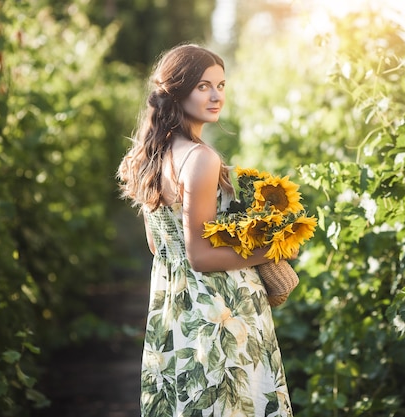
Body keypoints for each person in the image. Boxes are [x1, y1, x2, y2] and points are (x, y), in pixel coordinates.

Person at [117, 44, 294, 416]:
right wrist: (274, 247)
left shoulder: (153, 155)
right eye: (203, 86)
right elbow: (199, 256)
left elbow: (159, 246)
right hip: (220, 314)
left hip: (175, 311)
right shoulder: (200, 158)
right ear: (178, 91)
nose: (216, 96)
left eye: (221, 85)